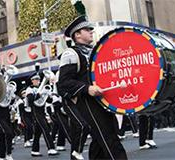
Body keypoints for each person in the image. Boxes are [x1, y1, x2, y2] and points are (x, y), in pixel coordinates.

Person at [58, 15, 127, 159]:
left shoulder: (95, 51)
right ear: (77, 35)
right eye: (86, 29)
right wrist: (87, 88)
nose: (91, 31)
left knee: (100, 139)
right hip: (87, 102)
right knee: (109, 138)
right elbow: (63, 83)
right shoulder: (71, 54)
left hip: (103, 99)